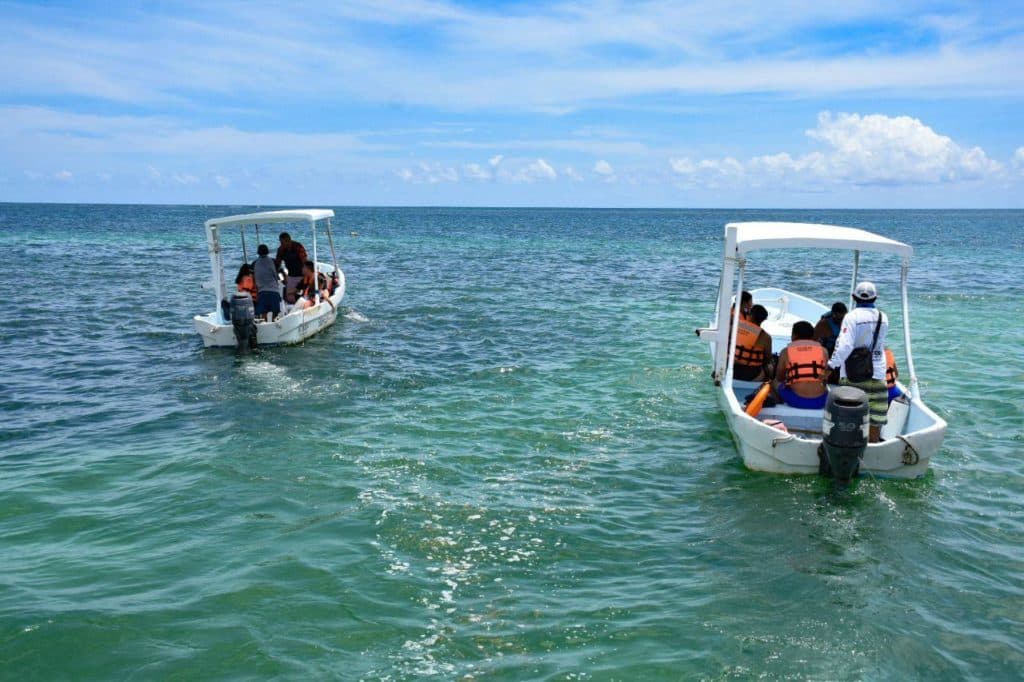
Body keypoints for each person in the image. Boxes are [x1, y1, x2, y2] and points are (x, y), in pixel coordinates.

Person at [827, 281, 889, 442]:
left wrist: (830, 366)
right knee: (875, 422)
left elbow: (845, 346)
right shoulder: (884, 318)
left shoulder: (851, 317)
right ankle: (874, 450)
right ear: (875, 298)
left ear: (854, 297)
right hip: (878, 374)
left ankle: (850, 453)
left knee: (850, 420)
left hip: (854, 375)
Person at [773, 320, 829, 409]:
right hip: (821, 400)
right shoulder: (824, 351)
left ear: (793, 335)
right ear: (812, 336)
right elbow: (825, 377)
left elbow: (780, 377)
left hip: (797, 400)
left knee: (775, 382)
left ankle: (779, 400)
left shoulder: (786, 351)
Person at [733, 304, 773, 381]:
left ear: (750, 315)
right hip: (752, 374)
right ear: (763, 319)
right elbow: (767, 359)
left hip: (733, 368)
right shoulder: (766, 337)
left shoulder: (737, 326)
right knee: (770, 367)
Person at [275, 232, 308, 304]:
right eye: (281, 243)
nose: (282, 245)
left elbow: (305, 262)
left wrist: (306, 277)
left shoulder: (298, 247)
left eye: (283, 243)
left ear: (289, 240)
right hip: (291, 275)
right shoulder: (281, 250)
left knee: (303, 296)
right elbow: (277, 264)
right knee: (289, 297)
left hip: (301, 275)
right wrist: (282, 274)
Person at [252, 243, 281, 321]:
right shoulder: (272, 261)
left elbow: (253, 275)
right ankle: (274, 325)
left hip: (262, 292)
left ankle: (265, 325)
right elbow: (277, 272)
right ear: (267, 251)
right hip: (273, 290)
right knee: (275, 314)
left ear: (258, 252)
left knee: (263, 314)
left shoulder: (255, 263)